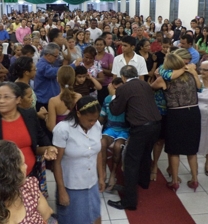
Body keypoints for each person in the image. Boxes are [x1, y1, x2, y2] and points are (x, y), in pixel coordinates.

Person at [107, 65, 161, 210]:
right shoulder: (145, 84)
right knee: (145, 154)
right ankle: (143, 182)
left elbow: (116, 109)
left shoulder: (124, 88)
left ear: (123, 77)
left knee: (131, 162)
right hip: (156, 124)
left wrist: (113, 94)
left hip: (141, 127)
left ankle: (129, 201)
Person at [0, 82, 57, 177]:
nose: (1, 101)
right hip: (2, 180)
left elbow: (41, 137)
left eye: (6, 97)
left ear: (18, 99)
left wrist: (49, 148)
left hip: (31, 175)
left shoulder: (29, 115)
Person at [150, 53, 201, 193]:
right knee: (192, 149)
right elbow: (200, 88)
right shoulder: (190, 75)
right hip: (194, 112)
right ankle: (195, 180)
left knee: (174, 150)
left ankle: (174, 181)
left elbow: (150, 89)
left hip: (176, 113)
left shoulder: (164, 79)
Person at [53, 96, 104, 224]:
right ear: (79, 114)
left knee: (95, 215)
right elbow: (57, 163)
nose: (93, 123)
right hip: (71, 185)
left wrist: (101, 177)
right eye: (89, 120)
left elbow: (97, 153)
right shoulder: (63, 129)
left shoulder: (96, 125)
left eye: (95, 119)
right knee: (74, 219)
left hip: (91, 182)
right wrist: (62, 190)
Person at [99, 77, 128, 192]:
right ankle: (102, 173)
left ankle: (113, 174)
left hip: (124, 130)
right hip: (110, 129)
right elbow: (102, 116)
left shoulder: (127, 100)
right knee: (101, 143)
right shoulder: (107, 99)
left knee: (117, 147)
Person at [47, 66, 82, 132]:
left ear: (57, 79)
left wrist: (46, 118)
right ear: (73, 79)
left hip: (61, 138)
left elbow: (52, 128)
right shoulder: (79, 97)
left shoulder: (53, 101)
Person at [95, 37, 114, 105]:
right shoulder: (93, 56)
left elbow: (111, 72)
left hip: (106, 85)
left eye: (101, 44)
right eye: (97, 44)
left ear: (104, 46)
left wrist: (100, 69)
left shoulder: (109, 56)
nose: (99, 46)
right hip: (95, 85)